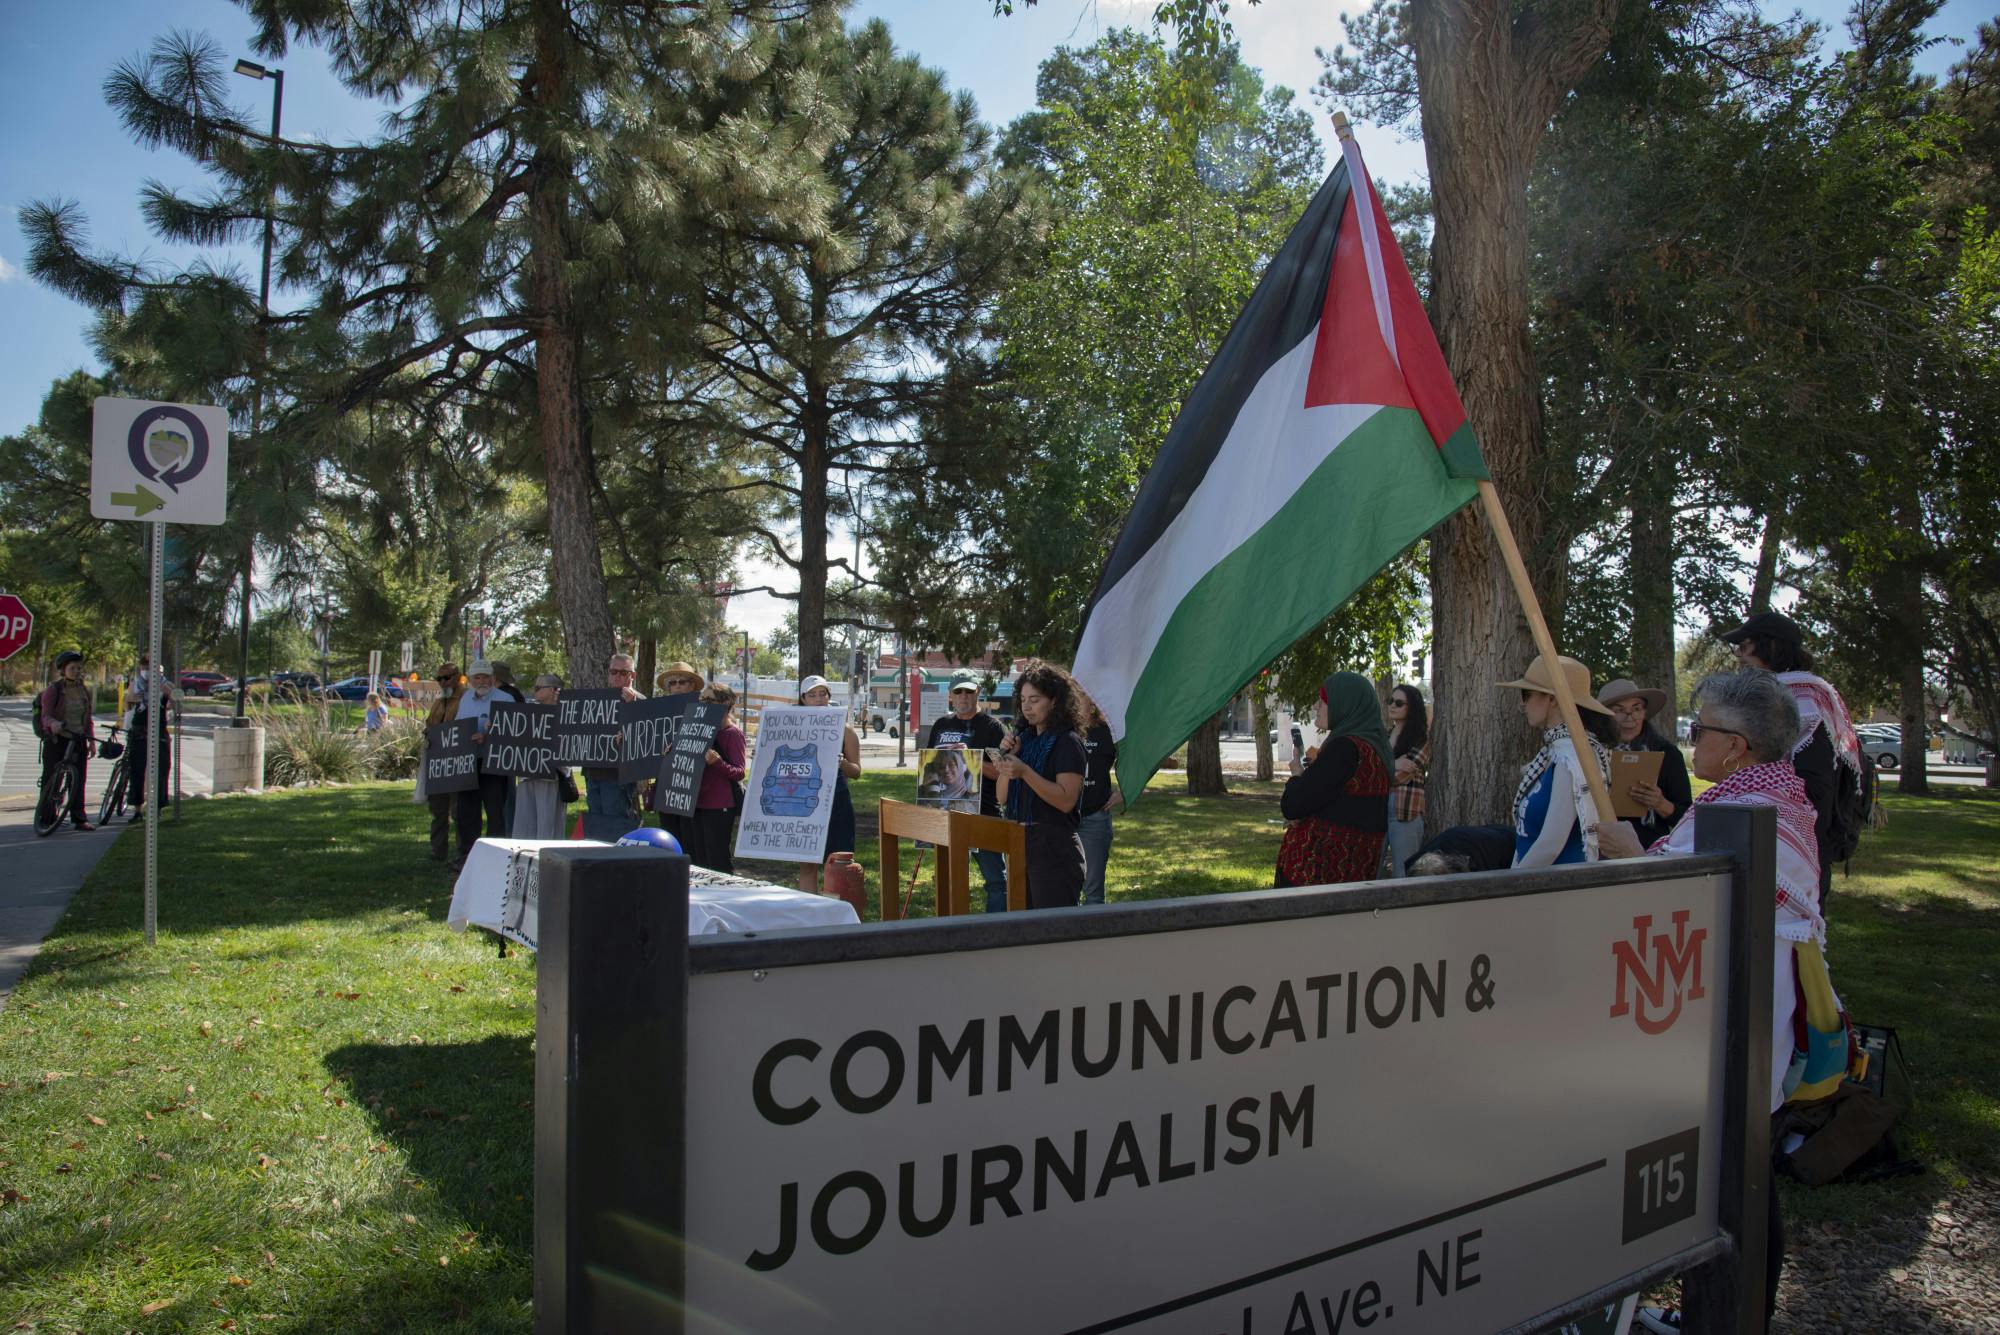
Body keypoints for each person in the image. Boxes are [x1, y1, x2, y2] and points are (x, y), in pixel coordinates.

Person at [1611, 669, 1825, 1334]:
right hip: (1750, 1021)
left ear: (1736, 747)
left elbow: (1677, 896)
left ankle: (1730, 1313)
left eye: (1701, 729)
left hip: (1736, 1029)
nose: (1692, 739)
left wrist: (1630, 854)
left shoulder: (1746, 813)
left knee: (1737, 1184)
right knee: (1746, 1178)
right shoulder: (1778, 801)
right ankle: (1735, 1311)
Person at [1721, 611, 1862, 905]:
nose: (1739, 655)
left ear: (1771, 647)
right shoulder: (1791, 695)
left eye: (1744, 646)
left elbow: (1813, 786)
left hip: (1794, 845)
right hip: (1775, 835)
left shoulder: (1802, 702)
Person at [1275, 672, 1391, 888]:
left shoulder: (1345, 748)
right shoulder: (1376, 748)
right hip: (1353, 875)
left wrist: (1297, 775)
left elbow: (1293, 805)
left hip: (1317, 877)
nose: (1316, 706)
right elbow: (1340, 804)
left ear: (1344, 705)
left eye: (1323, 700)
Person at [1498, 655, 1614, 868]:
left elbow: (1551, 844)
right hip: (1533, 879)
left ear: (1552, 699)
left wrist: (1510, 884)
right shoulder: (1554, 752)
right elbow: (1526, 840)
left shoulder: (1573, 756)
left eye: (1526, 694)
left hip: (1559, 884)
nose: (1522, 704)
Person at [991, 661, 1089, 909]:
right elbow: (1001, 798)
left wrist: (1025, 772)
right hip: (1019, 841)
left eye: (1035, 700)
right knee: (1022, 926)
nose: (1026, 707)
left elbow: (1066, 801)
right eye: (1023, 700)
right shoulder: (1023, 740)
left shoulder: (1067, 742)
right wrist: (1007, 760)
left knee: (1052, 926)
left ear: (1054, 701)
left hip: (1053, 846)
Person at [925, 672, 1010, 911]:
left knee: (996, 881)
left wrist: (970, 758)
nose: (964, 696)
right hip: (947, 814)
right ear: (950, 695)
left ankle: (996, 928)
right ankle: (954, 927)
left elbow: (1003, 772)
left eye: (969, 691)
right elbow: (928, 766)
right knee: (949, 879)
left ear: (978, 692)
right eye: (958, 691)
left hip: (985, 814)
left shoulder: (993, 728)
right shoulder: (941, 725)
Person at [1597, 677, 1691, 849]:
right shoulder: (1590, 752)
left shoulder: (1666, 753)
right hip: (1598, 847)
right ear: (1605, 716)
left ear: (1644, 713)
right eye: (1619, 710)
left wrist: (1661, 804)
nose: (1630, 716)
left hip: (1649, 849)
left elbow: (1687, 818)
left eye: (1636, 708)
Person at [797, 675, 863, 894]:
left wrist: (842, 763)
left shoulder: (846, 730)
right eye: (812, 695)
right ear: (803, 699)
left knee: (838, 864)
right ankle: (808, 908)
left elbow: (856, 772)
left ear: (829, 696)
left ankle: (835, 909)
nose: (818, 699)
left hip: (836, 802)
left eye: (822, 693)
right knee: (807, 863)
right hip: (804, 801)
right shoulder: (794, 727)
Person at [682, 682, 747, 873]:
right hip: (696, 801)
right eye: (702, 699)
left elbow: (740, 772)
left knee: (717, 859)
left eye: (710, 700)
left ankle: (726, 890)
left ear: (725, 704)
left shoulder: (733, 734)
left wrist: (718, 763)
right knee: (699, 858)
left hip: (719, 806)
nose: (704, 704)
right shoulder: (696, 729)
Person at [581, 652, 645, 840]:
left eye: (623, 672)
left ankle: (616, 856)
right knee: (595, 825)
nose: (617, 676)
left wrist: (632, 706)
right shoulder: (597, 700)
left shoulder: (640, 701)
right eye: (613, 671)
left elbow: (646, 738)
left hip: (618, 776)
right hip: (593, 771)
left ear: (632, 675)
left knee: (615, 825)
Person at [452, 660, 511, 863]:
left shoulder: (506, 699)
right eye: (477, 677)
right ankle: (468, 857)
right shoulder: (465, 698)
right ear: (470, 680)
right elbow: (458, 726)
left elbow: (513, 732)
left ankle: (495, 857)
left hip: (494, 764)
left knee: (495, 811)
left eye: (485, 677)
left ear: (493, 678)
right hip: (468, 763)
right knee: (467, 811)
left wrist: (488, 736)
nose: (482, 681)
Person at [36, 651, 97, 832]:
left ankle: (79, 819)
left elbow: (88, 718)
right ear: (63, 670)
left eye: (79, 668)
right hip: (58, 740)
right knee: (52, 779)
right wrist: (54, 724)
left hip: (78, 739)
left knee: (78, 780)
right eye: (72, 668)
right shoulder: (53, 690)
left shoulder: (83, 690)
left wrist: (91, 741)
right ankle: (46, 817)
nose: (76, 671)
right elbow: (45, 716)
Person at [512, 674, 571, 840]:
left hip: (551, 776)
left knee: (547, 825)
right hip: (526, 775)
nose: (535, 690)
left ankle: (548, 855)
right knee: (524, 826)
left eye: (539, 687)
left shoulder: (566, 713)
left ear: (553, 690)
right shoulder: (526, 712)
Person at [1076, 690, 1119, 905]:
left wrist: (1125, 792)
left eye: (1080, 695)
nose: (1075, 701)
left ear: (1092, 701)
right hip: (1062, 818)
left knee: (1093, 891)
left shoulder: (1108, 731)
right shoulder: (1061, 729)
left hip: (1095, 817)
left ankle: (1093, 925)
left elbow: (1137, 759)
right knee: (1064, 887)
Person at [418, 664, 465, 861]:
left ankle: (462, 853)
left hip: (456, 763)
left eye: (447, 678)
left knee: (459, 812)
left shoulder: (466, 699)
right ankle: (438, 851)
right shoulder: (439, 702)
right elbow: (430, 724)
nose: (443, 682)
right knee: (438, 810)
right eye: (439, 679)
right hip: (438, 763)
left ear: (458, 677)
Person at [1384, 683, 1429, 878]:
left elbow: (1401, 776)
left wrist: (1384, 768)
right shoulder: (1383, 735)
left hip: (1406, 813)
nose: (1392, 706)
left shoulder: (1421, 739)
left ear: (1412, 707)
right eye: (1390, 701)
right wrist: (1394, 763)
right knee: (1371, 872)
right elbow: (1370, 771)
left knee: (1403, 874)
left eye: (1399, 703)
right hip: (1376, 812)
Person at [127, 674, 173, 817]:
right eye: (144, 666)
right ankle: (137, 809)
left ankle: (158, 807)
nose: (148, 670)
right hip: (139, 728)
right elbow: (127, 704)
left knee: (162, 769)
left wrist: (169, 694)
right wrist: (135, 697)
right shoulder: (136, 684)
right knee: (137, 769)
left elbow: (177, 705)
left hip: (159, 729)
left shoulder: (166, 685)